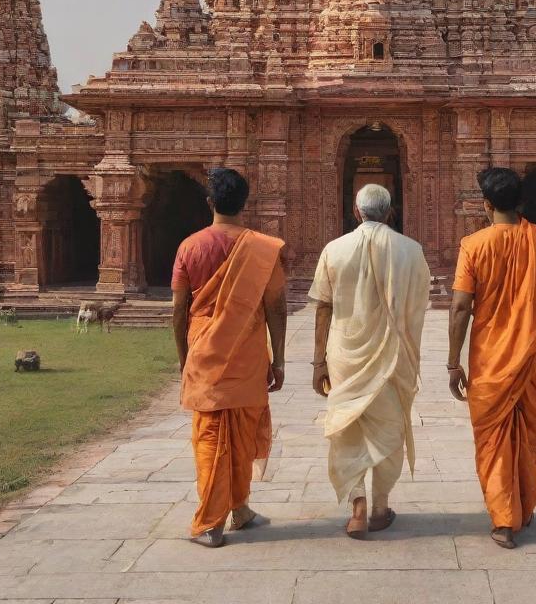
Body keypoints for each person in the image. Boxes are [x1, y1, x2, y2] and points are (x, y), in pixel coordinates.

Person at [447, 167, 536, 550]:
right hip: (534, 358)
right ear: (519, 201)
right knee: (531, 435)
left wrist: (453, 362)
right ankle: (522, 506)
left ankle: (504, 519)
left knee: (494, 440)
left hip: (490, 362)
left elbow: (460, 307)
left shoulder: (473, 246)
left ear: (485, 204)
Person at [172, 167, 288, 548]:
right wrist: (280, 358)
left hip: (205, 350)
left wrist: (183, 357)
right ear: (246, 202)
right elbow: (276, 308)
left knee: (210, 435)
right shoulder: (263, 247)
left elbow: (179, 309)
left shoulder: (190, 246)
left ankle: (220, 518)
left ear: (210, 203)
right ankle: (232, 510)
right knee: (240, 433)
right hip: (249, 350)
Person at [309, 183, 431, 539]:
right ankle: (380, 508)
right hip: (394, 355)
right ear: (391, 212)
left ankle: (357, 506)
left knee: (348, 429)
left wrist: (319, 361)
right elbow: (419, 301)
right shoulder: (411, 250)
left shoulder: (334, 250)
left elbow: (323, 307)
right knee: (390, 428)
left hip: (345, 355)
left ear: (355, 211)